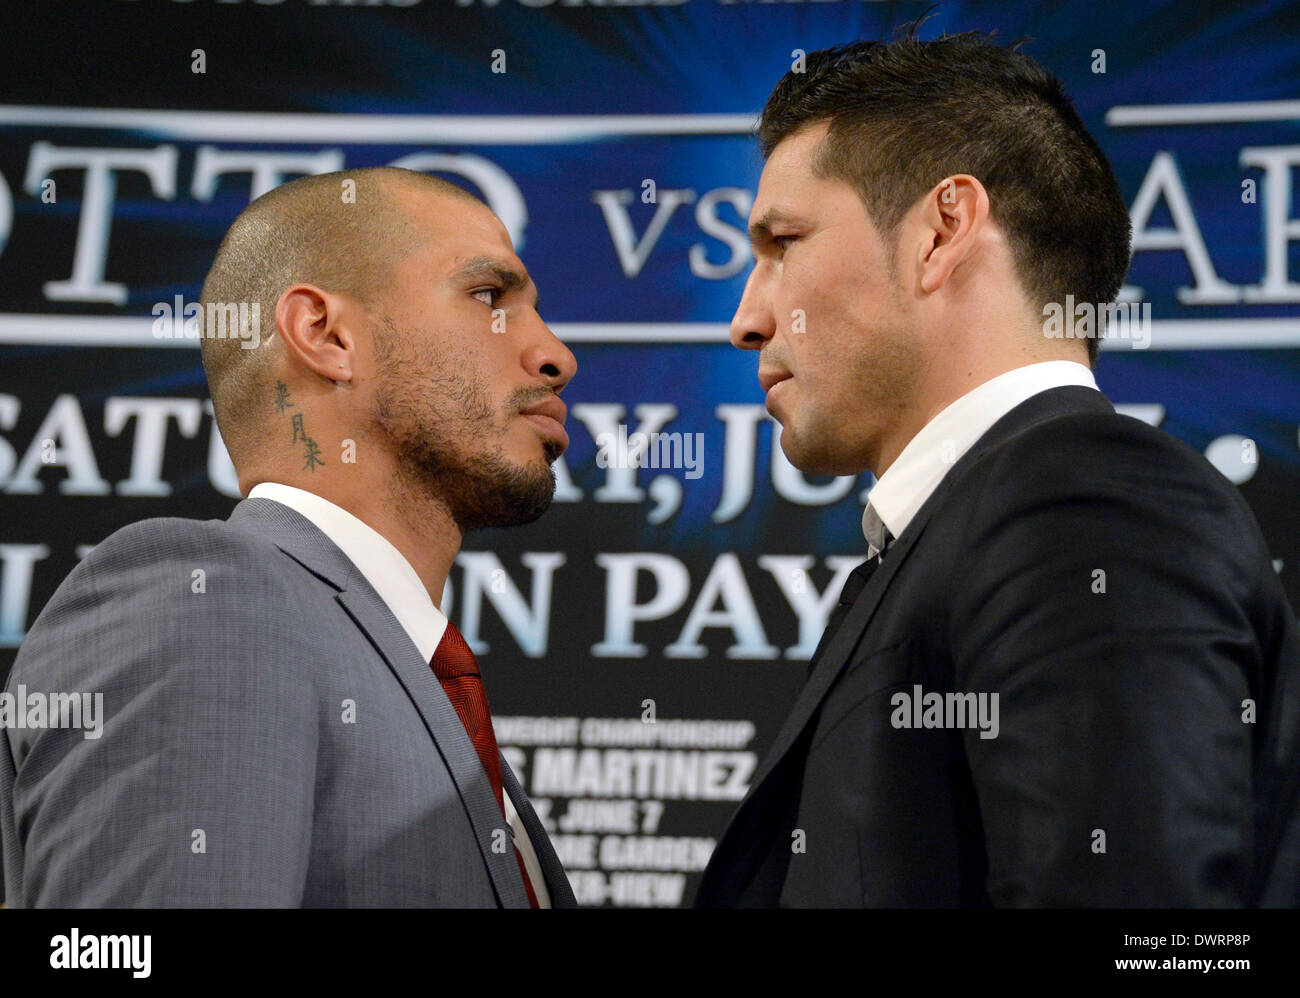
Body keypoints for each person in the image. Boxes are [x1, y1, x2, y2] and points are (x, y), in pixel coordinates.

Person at [696, 28, 1300, 907]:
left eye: (782, 241)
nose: (747, 320)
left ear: (942, 231)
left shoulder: (1085, 495)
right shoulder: (978, 519)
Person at [0, 167, 578, 907]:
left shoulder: (421, 683)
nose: (556, 354)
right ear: (326, 335)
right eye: (490, 298)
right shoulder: (207, 604)